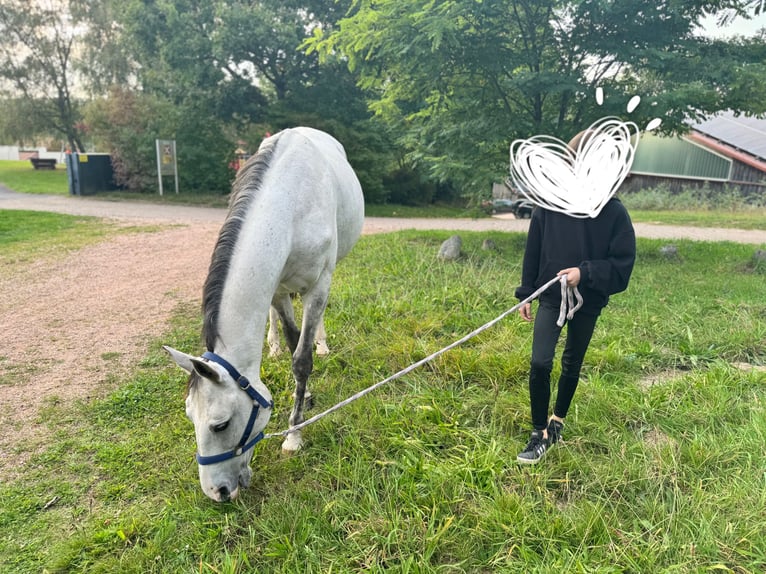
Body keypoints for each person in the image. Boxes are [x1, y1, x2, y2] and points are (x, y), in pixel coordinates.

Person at [514, 130, 637, 464]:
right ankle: (538, 432)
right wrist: (526, 293)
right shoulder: (548, 205)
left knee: (572, 362)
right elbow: (534, 250)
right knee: (540, 361)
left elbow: (622, 267)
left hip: (589, 299)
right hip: (552, 297)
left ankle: (557, 421)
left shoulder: (613, 213)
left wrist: (586, 273)